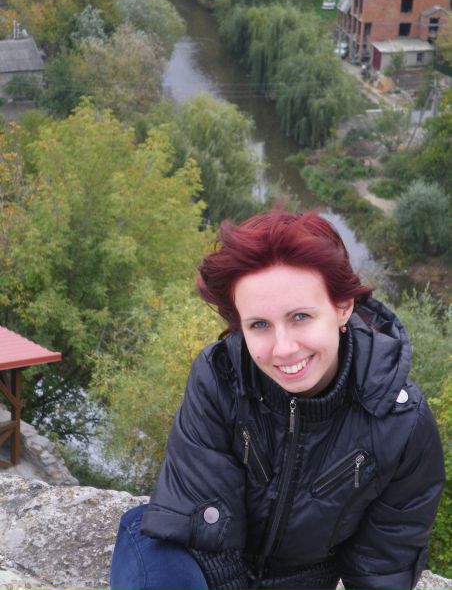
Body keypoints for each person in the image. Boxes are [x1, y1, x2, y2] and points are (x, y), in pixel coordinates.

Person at [110, 210, 445, 590]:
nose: (283, 348)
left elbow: (383, 568)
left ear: (342, 307)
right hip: (187, 556)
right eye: (259, 325)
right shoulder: (219, 377)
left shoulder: (400, 422)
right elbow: (204, 529)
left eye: (300, 316)